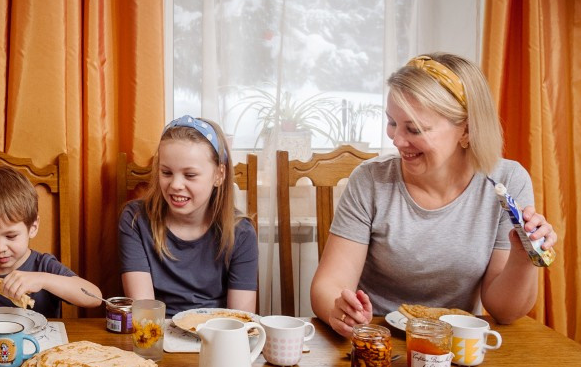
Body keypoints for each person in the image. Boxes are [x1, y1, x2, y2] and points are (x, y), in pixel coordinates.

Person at [310, 53, 558, 336]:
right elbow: (328, 285)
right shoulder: (371, 180)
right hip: (379, 338)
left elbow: (505, 312)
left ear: (466, 130)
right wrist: (340, 311)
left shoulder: (508, 181)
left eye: (414, 129)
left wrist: (522, 257)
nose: (397, 140)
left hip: (456, 345)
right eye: (392, 122)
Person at [118, 115, 258, 315]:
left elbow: (239, 319)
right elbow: (145, 312)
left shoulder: (241, 232)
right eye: (166, 173)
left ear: (219, 175)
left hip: (217, 330)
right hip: (157, 329)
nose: (175, 185)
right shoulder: (135, 219)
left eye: (190, 175)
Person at [0, 167, 102, 317]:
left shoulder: (44, 266)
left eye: (11, 236)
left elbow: (95, 297)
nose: (0, 248)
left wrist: (43, 280)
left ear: (32, 228)